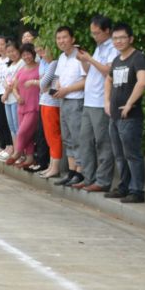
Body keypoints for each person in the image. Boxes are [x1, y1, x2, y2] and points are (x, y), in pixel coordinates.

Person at [107, 23, 145, 203]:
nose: (118, 41)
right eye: (115, 38)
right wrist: (107, 102)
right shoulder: (117, 60)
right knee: (119, 155)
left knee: (132, 154)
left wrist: (130, 104)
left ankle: (137, 190)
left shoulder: (138, 57)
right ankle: (124, 186)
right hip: (114, 115)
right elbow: (108, 79)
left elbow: (143, 81)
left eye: (122, 37)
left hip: (130, 116)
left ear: (130, 39)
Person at [75, 15, 118, 193]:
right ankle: (88, 177)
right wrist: (85, 61)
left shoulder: (113, 48)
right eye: (92, 33)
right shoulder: (99, 47)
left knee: (103, 142)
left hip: (101, 101)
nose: (94, 36)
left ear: (107, 31)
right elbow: (91, 71)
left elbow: (108, 71)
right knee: (85, 140)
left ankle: (103, 180)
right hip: (89, 100)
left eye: (97, 33)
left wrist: (90, 59)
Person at [52, 27, 87, 186]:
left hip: (76, 101)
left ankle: (80, 172)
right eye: (58, 38)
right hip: (63, 100)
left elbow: (86, 80)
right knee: (67, 137)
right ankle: (71, 171)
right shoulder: (62, 57)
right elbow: (59, 78)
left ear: (72, 39)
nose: (61, 41)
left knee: (77, 137)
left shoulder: (80, 55)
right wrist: (59, 87)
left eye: (64, 37)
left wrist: (67, 90)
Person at [8, 43, 41, 166]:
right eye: (24, 55)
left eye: (28, 54)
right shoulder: (21, 70)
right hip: (21, 106)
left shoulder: (40, 68)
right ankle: (29, 158)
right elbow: (14, 87)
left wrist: (34, 82)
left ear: (33, 54)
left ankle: (17, 152)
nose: (26, 57)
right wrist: (17, 96)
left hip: (34, 106)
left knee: (22, 132)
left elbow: (44, 83)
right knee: (28, 134)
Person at [36, 41, 64, 177]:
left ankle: (55, 167)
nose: (42, 54)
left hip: (51, 103)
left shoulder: (54, 63)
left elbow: (43, 84)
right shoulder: (51, 64)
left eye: (44, 51)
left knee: (53, 136)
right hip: (46, 101)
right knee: (49, 135)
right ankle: (52, 165)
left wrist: (42, 84)